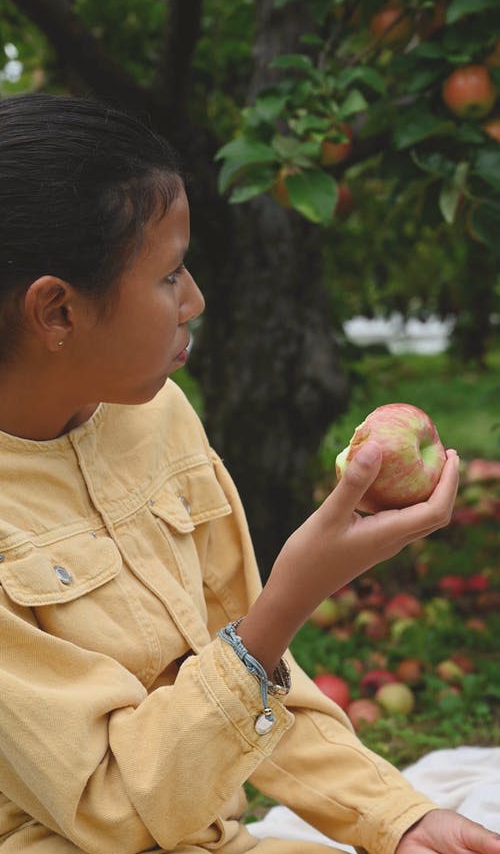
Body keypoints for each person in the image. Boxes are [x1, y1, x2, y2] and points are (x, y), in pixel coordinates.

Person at [0, 92, 497, 854]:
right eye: (168, 276)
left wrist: (396, 817)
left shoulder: (157, 415)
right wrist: (293, 593)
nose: (194, 299)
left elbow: (250, 674)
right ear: (57, 312)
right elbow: (113, 809)